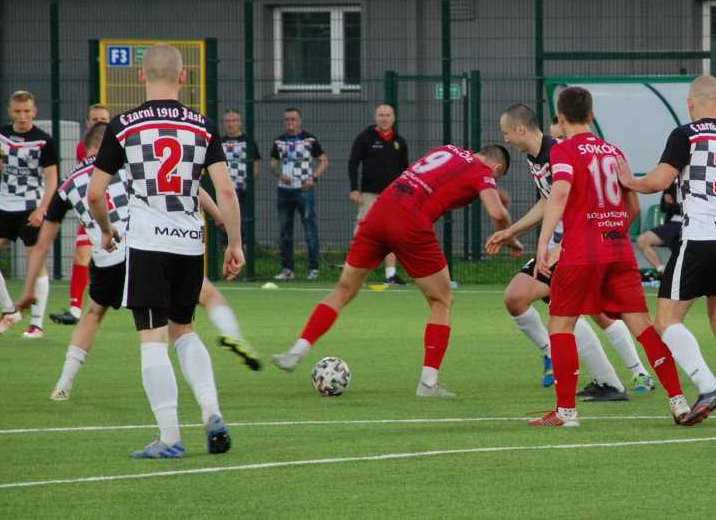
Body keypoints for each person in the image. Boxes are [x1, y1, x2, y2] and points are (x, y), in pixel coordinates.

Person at [15, 122, 260, 402]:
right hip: (145, 249)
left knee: (93, 314)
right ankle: (232, 336)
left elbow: (42, 244)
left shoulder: (69, 183)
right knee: (197, 303)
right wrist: (218, 215)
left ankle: (63, 384)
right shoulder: (130, 161)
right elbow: (183, 184)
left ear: (86, 146)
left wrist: (28, 289)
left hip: (108, 261)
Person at [88, 44, 245, 458]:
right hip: (190, 244)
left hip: (148, 243)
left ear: (142, 77)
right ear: (183, 77)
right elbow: (225, 190)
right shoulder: (203, 125)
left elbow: (94, 194)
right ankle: (212, 411)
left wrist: (105, 232)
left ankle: (171, 437)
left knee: (153, 339)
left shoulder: (123, 125)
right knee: (185, 330)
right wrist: (235, 242)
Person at [272, 144, 519, 397]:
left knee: (344, 290)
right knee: (442, 300)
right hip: (410, 220)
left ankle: (296, 352)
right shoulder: (482, 171)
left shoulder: (450, 150)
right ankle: (428, 383)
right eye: (497, 177)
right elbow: (497, 213)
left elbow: (445, 180)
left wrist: (493, 190)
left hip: (381, 209)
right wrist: (509, 237)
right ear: (497, 167)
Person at [528, 86, 688, 427]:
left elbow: (560, 192)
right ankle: (678, 401)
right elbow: (631, 205)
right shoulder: (613, 151)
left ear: (560, 118)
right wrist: (612, 230)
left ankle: (566, 412)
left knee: (561, 324)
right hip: (618, 250)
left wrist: (545, 242)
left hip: (581, 250)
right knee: (643, 326)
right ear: (592, 115)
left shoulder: (563, 150)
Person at [618, 75, 716, 426]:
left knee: (667, 319)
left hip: (700, 235)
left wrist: (630, 181)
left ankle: (708, 385)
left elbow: (658, 182)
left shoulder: (686, 134)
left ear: (690, 104)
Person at [486, 104, 655, 399]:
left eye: (507, 132)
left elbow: (589, 205)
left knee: (594, 312)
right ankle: (609, 379)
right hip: (561, 246)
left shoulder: (559, 153)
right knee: (521, 298)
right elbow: (547, 201)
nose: (507, 139)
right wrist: (512, 231)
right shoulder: (535, 158)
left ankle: (632, 375)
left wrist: (564, 246)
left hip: (578, 246)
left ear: (521, 129)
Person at [0, 90, 58, 338]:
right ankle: (9, 311)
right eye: (18, 111)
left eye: (27, 111)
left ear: (34, 112)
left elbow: (52, 178)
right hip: (3, 206)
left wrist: (42, 210)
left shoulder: (44, 141)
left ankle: (37, 324)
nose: (22, 116)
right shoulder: (2, 134)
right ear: (10, 112)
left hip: (30, 207)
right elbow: (3, 159)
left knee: (36, 263)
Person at [51, 103, 111, 325]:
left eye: (103, 119)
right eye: (95, 120)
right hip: (92, 212)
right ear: (88, 123)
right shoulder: (81, 148)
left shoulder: (117, 146)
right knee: (81, 256)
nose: (99, 123)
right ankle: (75, 309)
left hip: (116, 212)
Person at [348, 104, 410, 285]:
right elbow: (353, 163)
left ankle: (390, 275)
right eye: (381, 115)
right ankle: (353, 274)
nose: (384, 118)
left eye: (388, 115)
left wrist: (405, 194)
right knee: (362, 232)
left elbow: (405, 170)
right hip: (369, 195)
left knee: (392, 234)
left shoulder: (400, 141)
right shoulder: (364, 138)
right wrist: (354, 189)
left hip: (393, 196)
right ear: (376, 117)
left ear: (394, 117)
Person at [270, 108, 328, 280]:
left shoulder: (309, 139)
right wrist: (280, 174)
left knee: (310, 229)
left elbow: (324, 160)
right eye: (287, 119)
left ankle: (314, 269)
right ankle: (288, 269)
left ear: (300, 120)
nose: (290, 123)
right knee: (284, 231)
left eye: (294, 119)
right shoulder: (279, 141)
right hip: (284, 191)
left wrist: (313, 178)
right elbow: (272, 164)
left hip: (304, 190)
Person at [220, 108, 260, 244]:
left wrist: (250, 181)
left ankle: (244, 249)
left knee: (243, 221)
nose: (230, 124)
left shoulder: (248, 142)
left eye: (234, 121)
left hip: (243, 189)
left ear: (240, 123)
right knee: (224, 221)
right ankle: (225, 249)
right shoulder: (219, 142)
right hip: (224, 190)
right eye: (227, 121)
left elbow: (255, 165)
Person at [636, 182, 682, 276]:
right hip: (673, 224)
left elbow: (694, 208)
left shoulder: (697, 182)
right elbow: (664, 207)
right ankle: (662, 270)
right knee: (643, 240)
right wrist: (678, 207)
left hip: (691, 224)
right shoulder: (671, 184)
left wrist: (673, 206)